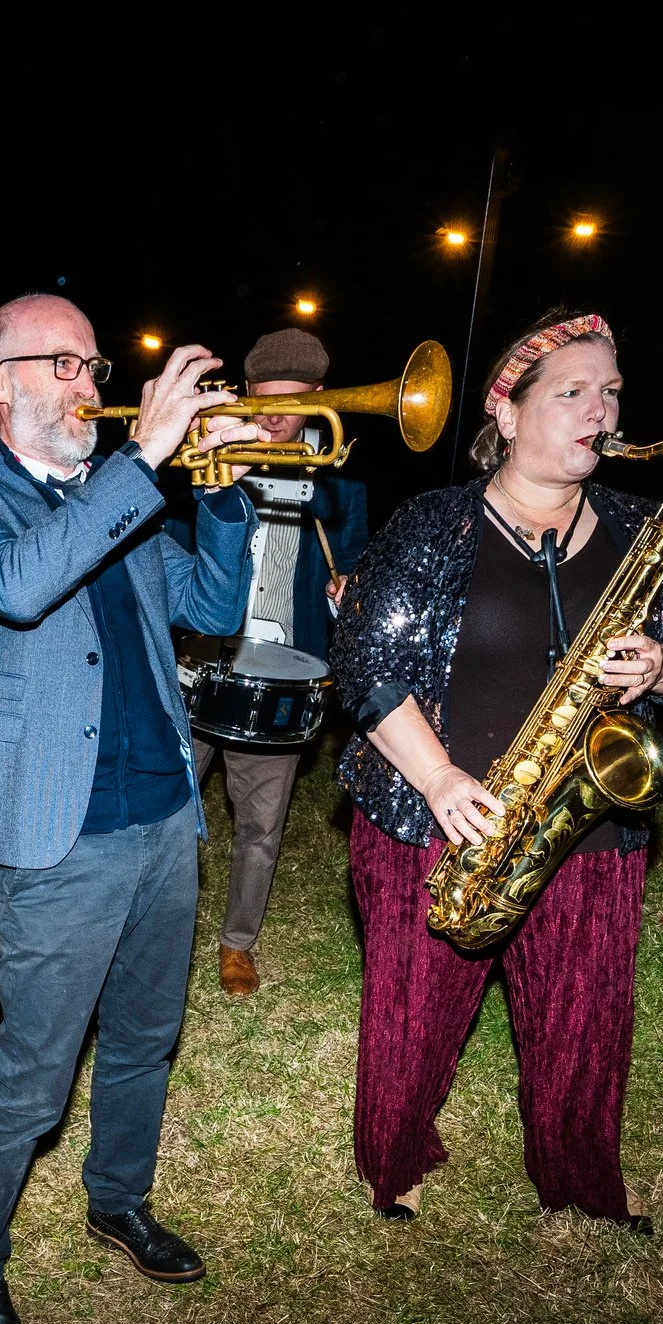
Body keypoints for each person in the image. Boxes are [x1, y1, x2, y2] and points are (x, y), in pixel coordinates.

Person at [0, 293, 260, 1324]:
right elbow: (16, 584)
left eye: (91, 360)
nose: (85, 380)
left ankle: (119, 1200)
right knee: (35, 1071)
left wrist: (229, 495)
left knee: (147, 1039)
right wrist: (145, 458)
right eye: (60, 361)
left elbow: (211, 601)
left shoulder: (127, 492)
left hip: (164, 814)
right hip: (56, 831)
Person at [332, 309, 663, 1231]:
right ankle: (395, 1158)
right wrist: (436, 780)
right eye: (573, 393)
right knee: (414, 1012)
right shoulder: (432, 523)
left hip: (588, 819)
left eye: (612, 392)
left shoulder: (644, 528)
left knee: (584, 1019)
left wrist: (662, 666)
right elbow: (366, 662)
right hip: (441, 816)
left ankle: (580, 1168)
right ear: (507, 415)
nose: (601, 411)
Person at [193, 327, 369, 996]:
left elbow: (352, 556)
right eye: (261, 401)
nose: (272, 416)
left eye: (290, 404)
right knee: (164, 804)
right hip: (203, 654)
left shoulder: (340, 473)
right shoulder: (211, 451)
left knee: (261, 822)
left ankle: (238, 942)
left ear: (322, 399)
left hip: (284, 669)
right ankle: (158, 918)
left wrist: (346, 586)